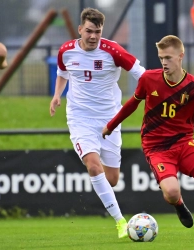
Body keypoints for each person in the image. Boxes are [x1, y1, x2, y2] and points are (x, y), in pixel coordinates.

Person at [102, 35, 194, 239]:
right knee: (172, 192)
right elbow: (132, 103)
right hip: (156, 146)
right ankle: (178, 205)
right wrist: (110, 125)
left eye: (168, 57)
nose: (164, 62)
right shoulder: (149, 79)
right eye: (161, 58)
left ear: (180, 56)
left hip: (185, 143)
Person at [49, 8, 145, 239]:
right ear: (80, 29)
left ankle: (103, 187)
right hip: (80, 118)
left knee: (111, 179)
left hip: (110, 120)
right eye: (89, 31)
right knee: (93, 165)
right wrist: (56, 95)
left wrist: (162, 92)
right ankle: (121, 222)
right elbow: (62, 73)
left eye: (98, 32)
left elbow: (141, 74)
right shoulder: (66, 51)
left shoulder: (113, 51)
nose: (93, 36)